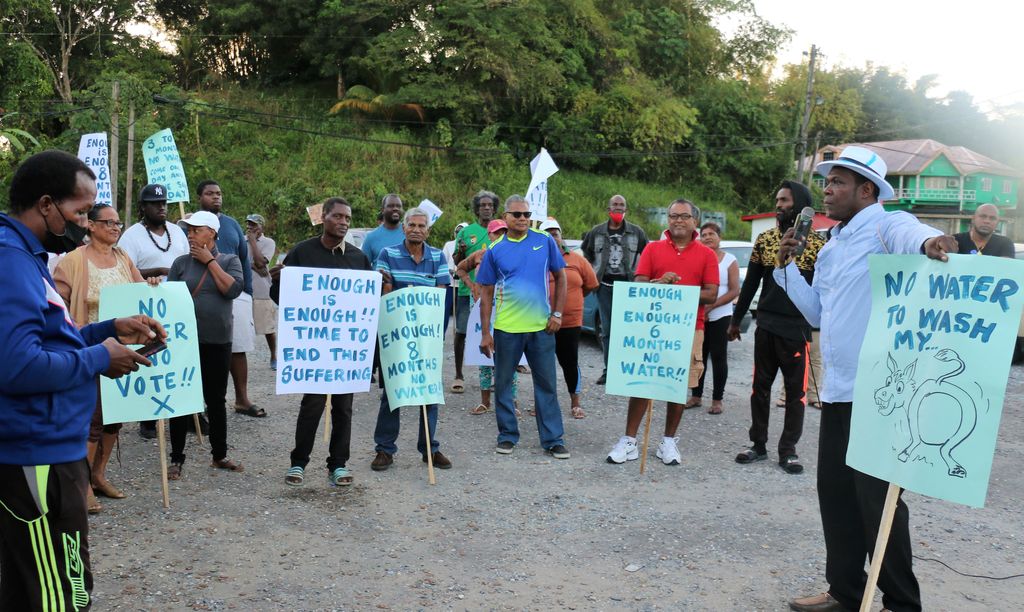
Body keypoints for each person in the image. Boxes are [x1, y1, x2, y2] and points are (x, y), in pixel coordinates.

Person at [777, 146, 957, 612]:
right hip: (837, 391)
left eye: (838, 182)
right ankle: (845, 592)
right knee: (835, 496)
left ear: (866, 190)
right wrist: (786, 269)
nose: (827, 190)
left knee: (879, 503)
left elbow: (911, 233)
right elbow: (817, 312)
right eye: (827, 182)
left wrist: (930, 243)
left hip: (880, 395)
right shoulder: (833, 243)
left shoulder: (883, 224)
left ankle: (901, 602)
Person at [0, 150, 166, 610]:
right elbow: (16, 365)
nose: (86, 221)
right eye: (79, 212)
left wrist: (107, 329)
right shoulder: (9, 261)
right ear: (47, 204)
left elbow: (50, 341)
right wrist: (98, 357)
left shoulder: (29, 256)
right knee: (59, 594)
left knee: (37, 585)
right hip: (37, 454)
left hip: (51, 448)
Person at [54, 203, 152, 513]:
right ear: (90, 226)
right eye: (108, 222)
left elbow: (139, 289)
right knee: (92, 420)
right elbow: (57, 308)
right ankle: (80, 485)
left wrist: (152, 287)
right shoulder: (71, 262)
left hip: (123, 350)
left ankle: (98, 474)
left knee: (114, 419)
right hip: (89, 349)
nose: (115, 228)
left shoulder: (123, 257)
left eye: (118, 223)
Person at [605, 199, 718, 466]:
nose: (678, 220)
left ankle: (668, 441)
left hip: (690, 329)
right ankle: (630, 441)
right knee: (642, 382)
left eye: (684, 216)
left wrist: (679, 293)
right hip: (651, 327)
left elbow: (712, 294)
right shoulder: (653, 249)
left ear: (695, 221)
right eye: (673, 216)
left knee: (676, 386)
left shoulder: (707, 255)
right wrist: (659, 282)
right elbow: (639, 283)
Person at [271, 197, 371, 487]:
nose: (343, 222)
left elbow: (365, 305)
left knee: (343, 407)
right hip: (314, 351)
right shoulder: (302, 252)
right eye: (337, 216)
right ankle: (298, 462)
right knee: (312, 405)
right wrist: (278, 281)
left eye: (347, 219)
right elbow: (282, 300)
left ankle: (338, 464)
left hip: (345, 350)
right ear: (323, 218)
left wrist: (380, 285)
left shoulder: (357, 258)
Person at [728, 180, 826, 475]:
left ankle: (789, 451)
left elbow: (824, 292)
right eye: (778, 200)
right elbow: (752, 284)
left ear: (801, 204)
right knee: (760, 389)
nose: (779, 205)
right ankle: (757, 445)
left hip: (797, 329)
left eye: (784, 200)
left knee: (796, 394)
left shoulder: (819, 245)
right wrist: (736, 321)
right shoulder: (765, 240)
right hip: (766, 325)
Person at [476, 195, 570, 459]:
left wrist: (558, 313)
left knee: (547, 385)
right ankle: (507, 435)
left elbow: (561, 277)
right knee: (503, 384)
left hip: (541, 328)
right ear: (505, 217)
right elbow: (486, 292)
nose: (523, 219)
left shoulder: (544, 241)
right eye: (517, 215)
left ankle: (553, 439)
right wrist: (486, 332)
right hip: (507, 329)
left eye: (527, 215)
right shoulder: (495, 250)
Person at [370, 208, 453, 471]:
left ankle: (430, 448)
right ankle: (385, 449)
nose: (417, 229)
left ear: (428, 230)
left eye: (422, 225)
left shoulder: (438, 257)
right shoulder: (387, 254)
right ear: (404, 228)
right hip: (396, 335)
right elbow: (384, 292)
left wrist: (434, 334)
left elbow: (439, 298)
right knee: (393, 392)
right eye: (412, 224)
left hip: (426, 337)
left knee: (428, 391)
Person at [166, 210, 246, 480]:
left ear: (211, 232)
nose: (189, 234)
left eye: (195, 229)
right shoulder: (180, 264)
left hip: (217, 341)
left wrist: (210, 261)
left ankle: (219, 455)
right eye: (187, 230)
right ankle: (176, 459)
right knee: (181, 401)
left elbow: (232, 290)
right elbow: (169, 299)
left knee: (216, 400)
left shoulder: (230, 260)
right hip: (185, 342)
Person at [118, 183, 190, 439]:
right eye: (155, 203)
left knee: (180, 357)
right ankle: (148, 417)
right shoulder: (132, 235)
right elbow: (125, 269)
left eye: (164, 203)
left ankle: (185, 412)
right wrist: (158, 271)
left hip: (177, 303)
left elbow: (187, 263)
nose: (162, 207)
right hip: (146, 306)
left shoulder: (178, 232)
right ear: (143, 207)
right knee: (152, 357)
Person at [195, 180, 261, 418]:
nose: (216, 197)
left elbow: (244, 261)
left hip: (236, 293)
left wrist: (247, 293)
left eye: (219, 193)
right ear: (199, 197)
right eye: (210, 193)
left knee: (239, 347)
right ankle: (200, 404)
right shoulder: (190, 226)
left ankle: (242, 399)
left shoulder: (232, 224)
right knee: (202, 349)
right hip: (203, 296)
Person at [581, 194, 649, 385]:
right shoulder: (596, 232)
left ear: (626, 209)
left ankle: (628, 369)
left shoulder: (637, 233)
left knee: (630, 330)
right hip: (604, 288)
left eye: (622, 204)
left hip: (629, 288)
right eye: (615, 204)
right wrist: (591, 275)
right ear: (608, 209)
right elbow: (585, 255)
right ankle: (609, 371)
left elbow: (647, 255)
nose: (618, 207)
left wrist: (641, 278)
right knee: (607, 330)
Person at [455, 219, 520, 416]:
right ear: (489, 235)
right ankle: (485, 402)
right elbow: (460, 268)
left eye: (503, 232)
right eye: (496, 233)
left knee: (509, 357)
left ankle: (512, 402)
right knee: (484, 356)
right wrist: (470, 284)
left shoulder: (515, 255)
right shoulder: (480, 255)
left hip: (506, 309)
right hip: (481, 309)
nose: (500, 236)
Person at [540, 218, 599, 419]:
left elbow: (591, 284)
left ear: (560, 235)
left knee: (570, 362)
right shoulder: (537, 259)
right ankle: (543, 403)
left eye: (555, 233)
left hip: (570, 322)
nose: (552, 237)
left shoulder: (576, 259)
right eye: (547, 234)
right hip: (541, 322)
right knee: (542, 365)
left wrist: (573, 300)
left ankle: (575, 402)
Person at [691, 221, 740, 415]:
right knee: (698, 355)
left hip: (721, 314)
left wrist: (712, 306)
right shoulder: (697, 258)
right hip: (699, 315)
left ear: (720, 237)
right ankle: (696, 395)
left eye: (712, 234)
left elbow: (735, 289)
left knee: (719, 357)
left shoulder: (730, 260)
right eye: (704, 235)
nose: (708, 237)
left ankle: (717, 399)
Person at [451, 190, 498, 393]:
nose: (486, 208)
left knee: (494, 331)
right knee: (462, 332)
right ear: (476, 209)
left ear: (495, 208)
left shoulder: (502, 229)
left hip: (497, 294)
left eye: (490, 205)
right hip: (467, 291)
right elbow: (456, 262)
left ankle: (495, 374)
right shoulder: (466, 232)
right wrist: (461, 251)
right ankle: (459, 375)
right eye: (482, 205)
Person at [245, 213, 278, 370]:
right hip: (244, 290)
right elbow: (240, 262)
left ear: (261, 227)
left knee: (267, 328)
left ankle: (274, 355)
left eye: (254, 225)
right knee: (242, 327)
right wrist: (253, 265)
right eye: (248, 224)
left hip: (261, 290)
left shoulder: (268, 242)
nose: (250, 228)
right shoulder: (241, 241)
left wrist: (252, 241)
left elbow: (260, 262)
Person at [442, 221, 470, 336]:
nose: (459, 234)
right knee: (445, 311)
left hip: (464, 285)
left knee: (462, 313)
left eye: (462, 232)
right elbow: (443, 261)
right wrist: (451, 271)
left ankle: (462, 337)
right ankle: (441, 336)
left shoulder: (470, 245)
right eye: (457, 232)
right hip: (450, 284)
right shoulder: (449, 245)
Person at [361, 193, 405, 264]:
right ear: (382, 210)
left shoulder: (409, 234)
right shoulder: (371, 237)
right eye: (390, 206)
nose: (395, 209)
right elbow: (363, 268)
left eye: (398, 206)